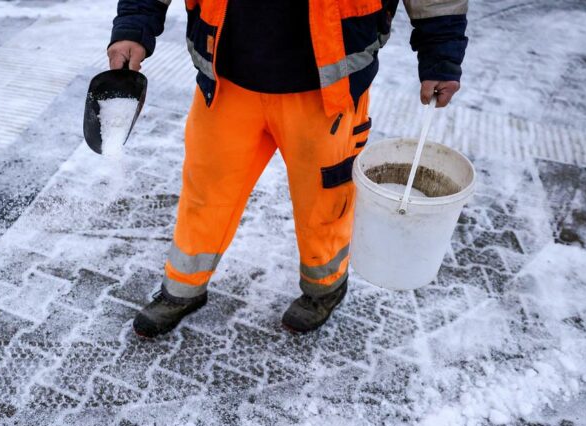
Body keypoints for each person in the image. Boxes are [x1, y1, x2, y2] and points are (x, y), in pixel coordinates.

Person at [107, 0, 468, 338]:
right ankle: (182, 288)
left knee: (324, 203)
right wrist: (133, 26)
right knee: (205, 191)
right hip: (227, 81)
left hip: (325, 90)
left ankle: (324, 288)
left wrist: (441, 55)